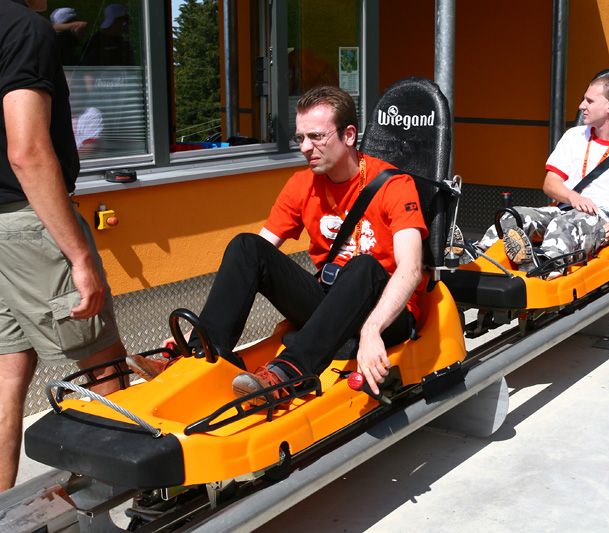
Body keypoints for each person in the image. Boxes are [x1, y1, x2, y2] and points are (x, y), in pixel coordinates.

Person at [127, 85, 427, 398]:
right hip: (331, 301)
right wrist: (206, 324)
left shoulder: (394, 185)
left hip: (385, 312)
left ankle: (289, 373)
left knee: (363, 266)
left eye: (316, 137)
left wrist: (372, 329)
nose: (306, 148)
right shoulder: (302, 184)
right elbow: (258, 253)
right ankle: (201, 355)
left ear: (348, 135)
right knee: (246, 246)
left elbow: (410, 269)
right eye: (300, 138)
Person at [0, 0, 126, 491]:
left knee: (7, 378)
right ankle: (109, 503)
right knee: (104, 366)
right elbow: (27, 150)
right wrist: (79, 257)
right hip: (29, 224)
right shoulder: (25, 28)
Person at [467, 76, 609, 275]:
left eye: (589, 101)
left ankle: (541, 269)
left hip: (601, 219)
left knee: (564, 226)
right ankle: (476, 258)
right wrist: (573, 197)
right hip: (564, 210)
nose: (581, 106)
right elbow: (550, 183)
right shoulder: (573, 136)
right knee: (512, 217)